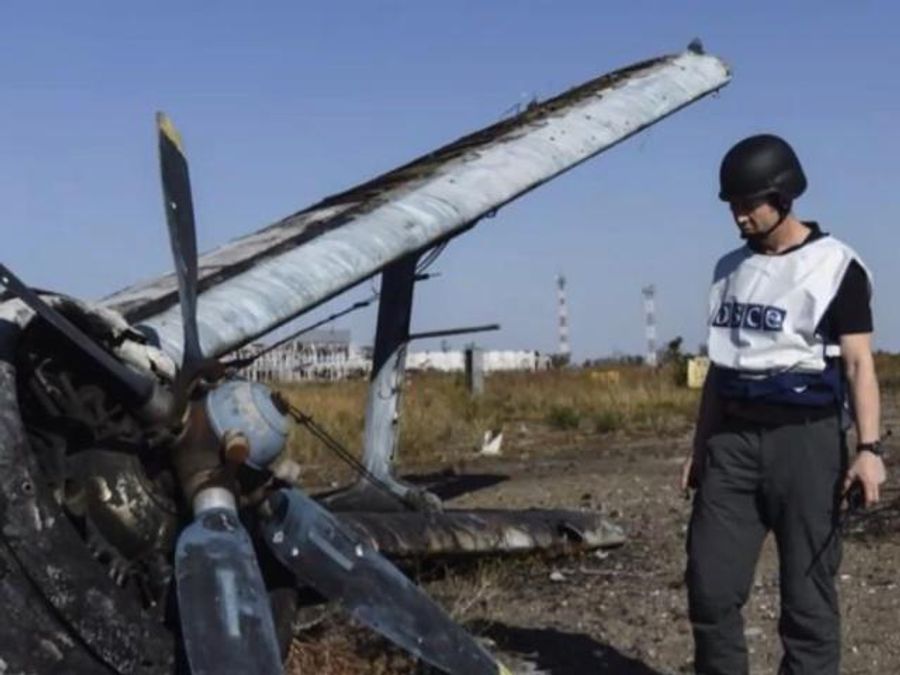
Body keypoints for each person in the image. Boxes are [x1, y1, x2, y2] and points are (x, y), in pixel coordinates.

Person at [681, 134, 885, 675]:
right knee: (710, 587)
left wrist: (869, 449)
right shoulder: (728, 269)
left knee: (807, 598)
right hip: (733, 443)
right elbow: (720, 370)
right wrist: (700, 447)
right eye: (732, 206)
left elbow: (860, 365)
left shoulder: (837, 267)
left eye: (749, 205)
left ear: (784, 196)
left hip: (807, 442)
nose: (739, 217)